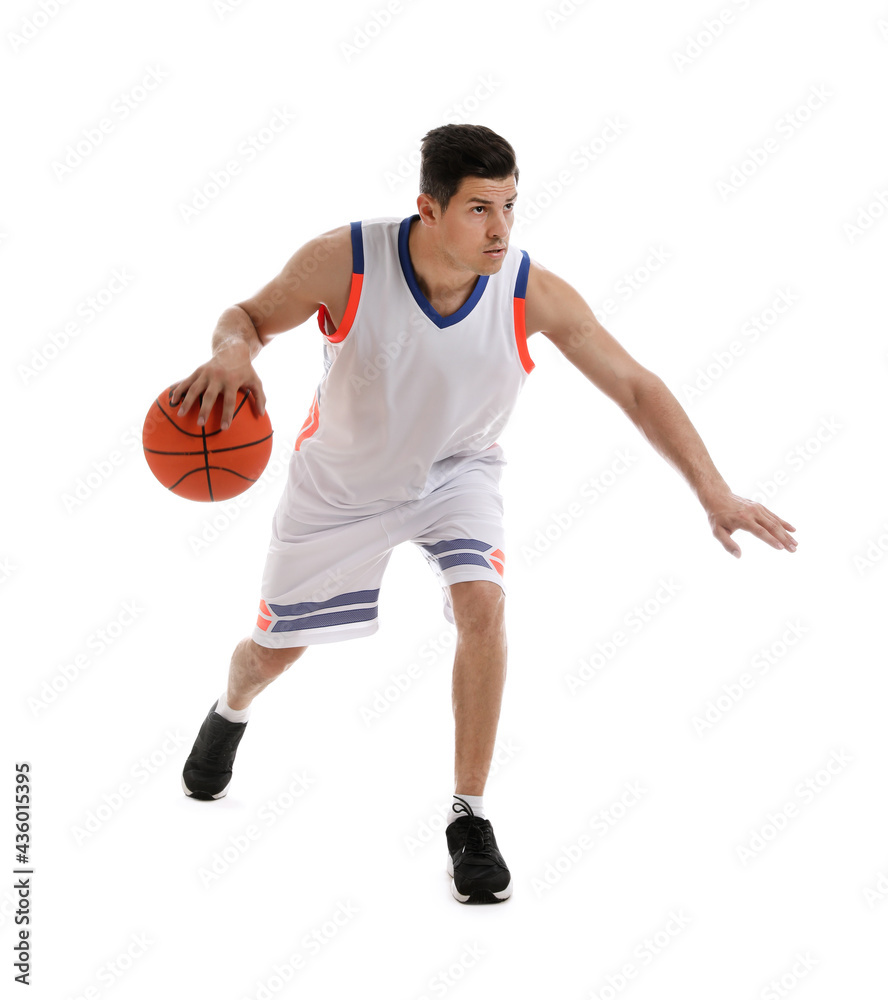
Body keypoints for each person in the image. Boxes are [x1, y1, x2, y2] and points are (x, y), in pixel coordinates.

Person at [172, 123, 797, 905]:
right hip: (341, 486)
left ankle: (468, 817)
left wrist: (713, 489)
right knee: (274, 653)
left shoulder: (529, 290)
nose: (501, 228)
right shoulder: (348, 260)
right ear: (427, 210)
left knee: (483, 606)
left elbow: (636, 385)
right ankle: (231, 709)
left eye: (509, 205)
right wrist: (234, 349)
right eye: (478, 209)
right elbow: (249, 315)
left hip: (456, 473)